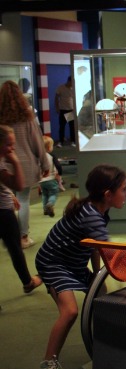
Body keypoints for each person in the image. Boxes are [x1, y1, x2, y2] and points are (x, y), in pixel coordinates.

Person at [35, 164, 126, 369]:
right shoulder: (92, 217)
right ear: (108, 194)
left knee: (101, 294)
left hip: (72, 262)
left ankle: (104, 346)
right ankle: (47, 366)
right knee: (70, 312)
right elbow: (109, 252)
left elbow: (94, 248)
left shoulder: (98, 211)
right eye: (124, 189)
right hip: (54, 263)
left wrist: (96, 275)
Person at [0, 80, 51, 249]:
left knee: (5, 201)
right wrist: (45, 164)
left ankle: (8, 237)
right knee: (23, 200)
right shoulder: (27, 116)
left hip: (3, 164)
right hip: (26, 164)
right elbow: (37, 140)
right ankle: (22, 237)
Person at [0, 125, 43, 294]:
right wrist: (16, 163)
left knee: (14, 246)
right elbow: (18, 184)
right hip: (3, 213)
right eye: (8, 144)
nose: (12, 148)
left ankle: (27, 281)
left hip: (4, 207)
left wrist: (9, 194)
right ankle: (27, 282)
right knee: (15, 248)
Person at [39, 136, 65, 218]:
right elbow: (58, 166)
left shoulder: (39, 157)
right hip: (51, 179)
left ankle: (45, 209)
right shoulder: (52, 156)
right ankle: (50, 204)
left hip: (41, 180)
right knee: (53, 193)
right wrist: (60, 173)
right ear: (49, 147)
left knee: (44, 194)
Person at [54, 76, 76, 147]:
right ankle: (61, 142)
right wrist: (57, 107)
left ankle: (73, 141)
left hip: (71, 110)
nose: (72, 84)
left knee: (72, 127)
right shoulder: (61, 88)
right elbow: (56, 98)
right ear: (69, 81)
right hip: (63, 110)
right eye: (71, 82)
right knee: (62, 127)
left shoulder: (73, 89)